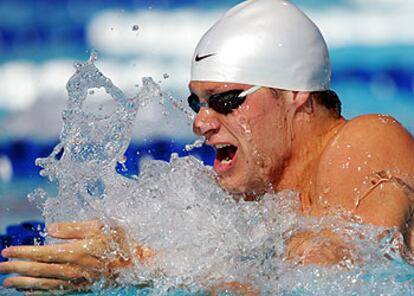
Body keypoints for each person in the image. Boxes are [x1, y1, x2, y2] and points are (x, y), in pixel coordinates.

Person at [1, 0, 413, 294]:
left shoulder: (367, 141)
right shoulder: (261, 205)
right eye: (196, 102)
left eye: (227, 100)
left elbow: (339, 279)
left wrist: (133, 264)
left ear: (296, 96)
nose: (201, 122)